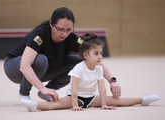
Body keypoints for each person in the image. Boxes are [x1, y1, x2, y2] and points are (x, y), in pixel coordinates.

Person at [3, 7, 121, 103]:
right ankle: (24, 93)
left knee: (79, 62)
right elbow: (24, 65)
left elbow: (94, 59)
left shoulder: (72, 39)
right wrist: (41, 87)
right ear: (51, 23)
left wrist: (112, 80)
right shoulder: (40, 34)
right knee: (40, 60)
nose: (64, 34)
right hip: (14, 68)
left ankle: (50, 91)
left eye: (69, 29)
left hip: (41, 70)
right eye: (60, 29)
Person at [20, 33, 160, 112]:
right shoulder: (78, 68)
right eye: (96, 53)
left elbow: (102, 88)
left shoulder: (99, 68)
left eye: (101, 53)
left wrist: (104, 103)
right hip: (75, 97)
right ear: (86, 55)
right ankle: (34, 105)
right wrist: (75, 105)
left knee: (118, 101)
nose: (100, 57)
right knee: (56, 105)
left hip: (92, 98)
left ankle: (143, 100)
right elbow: (74, 89)